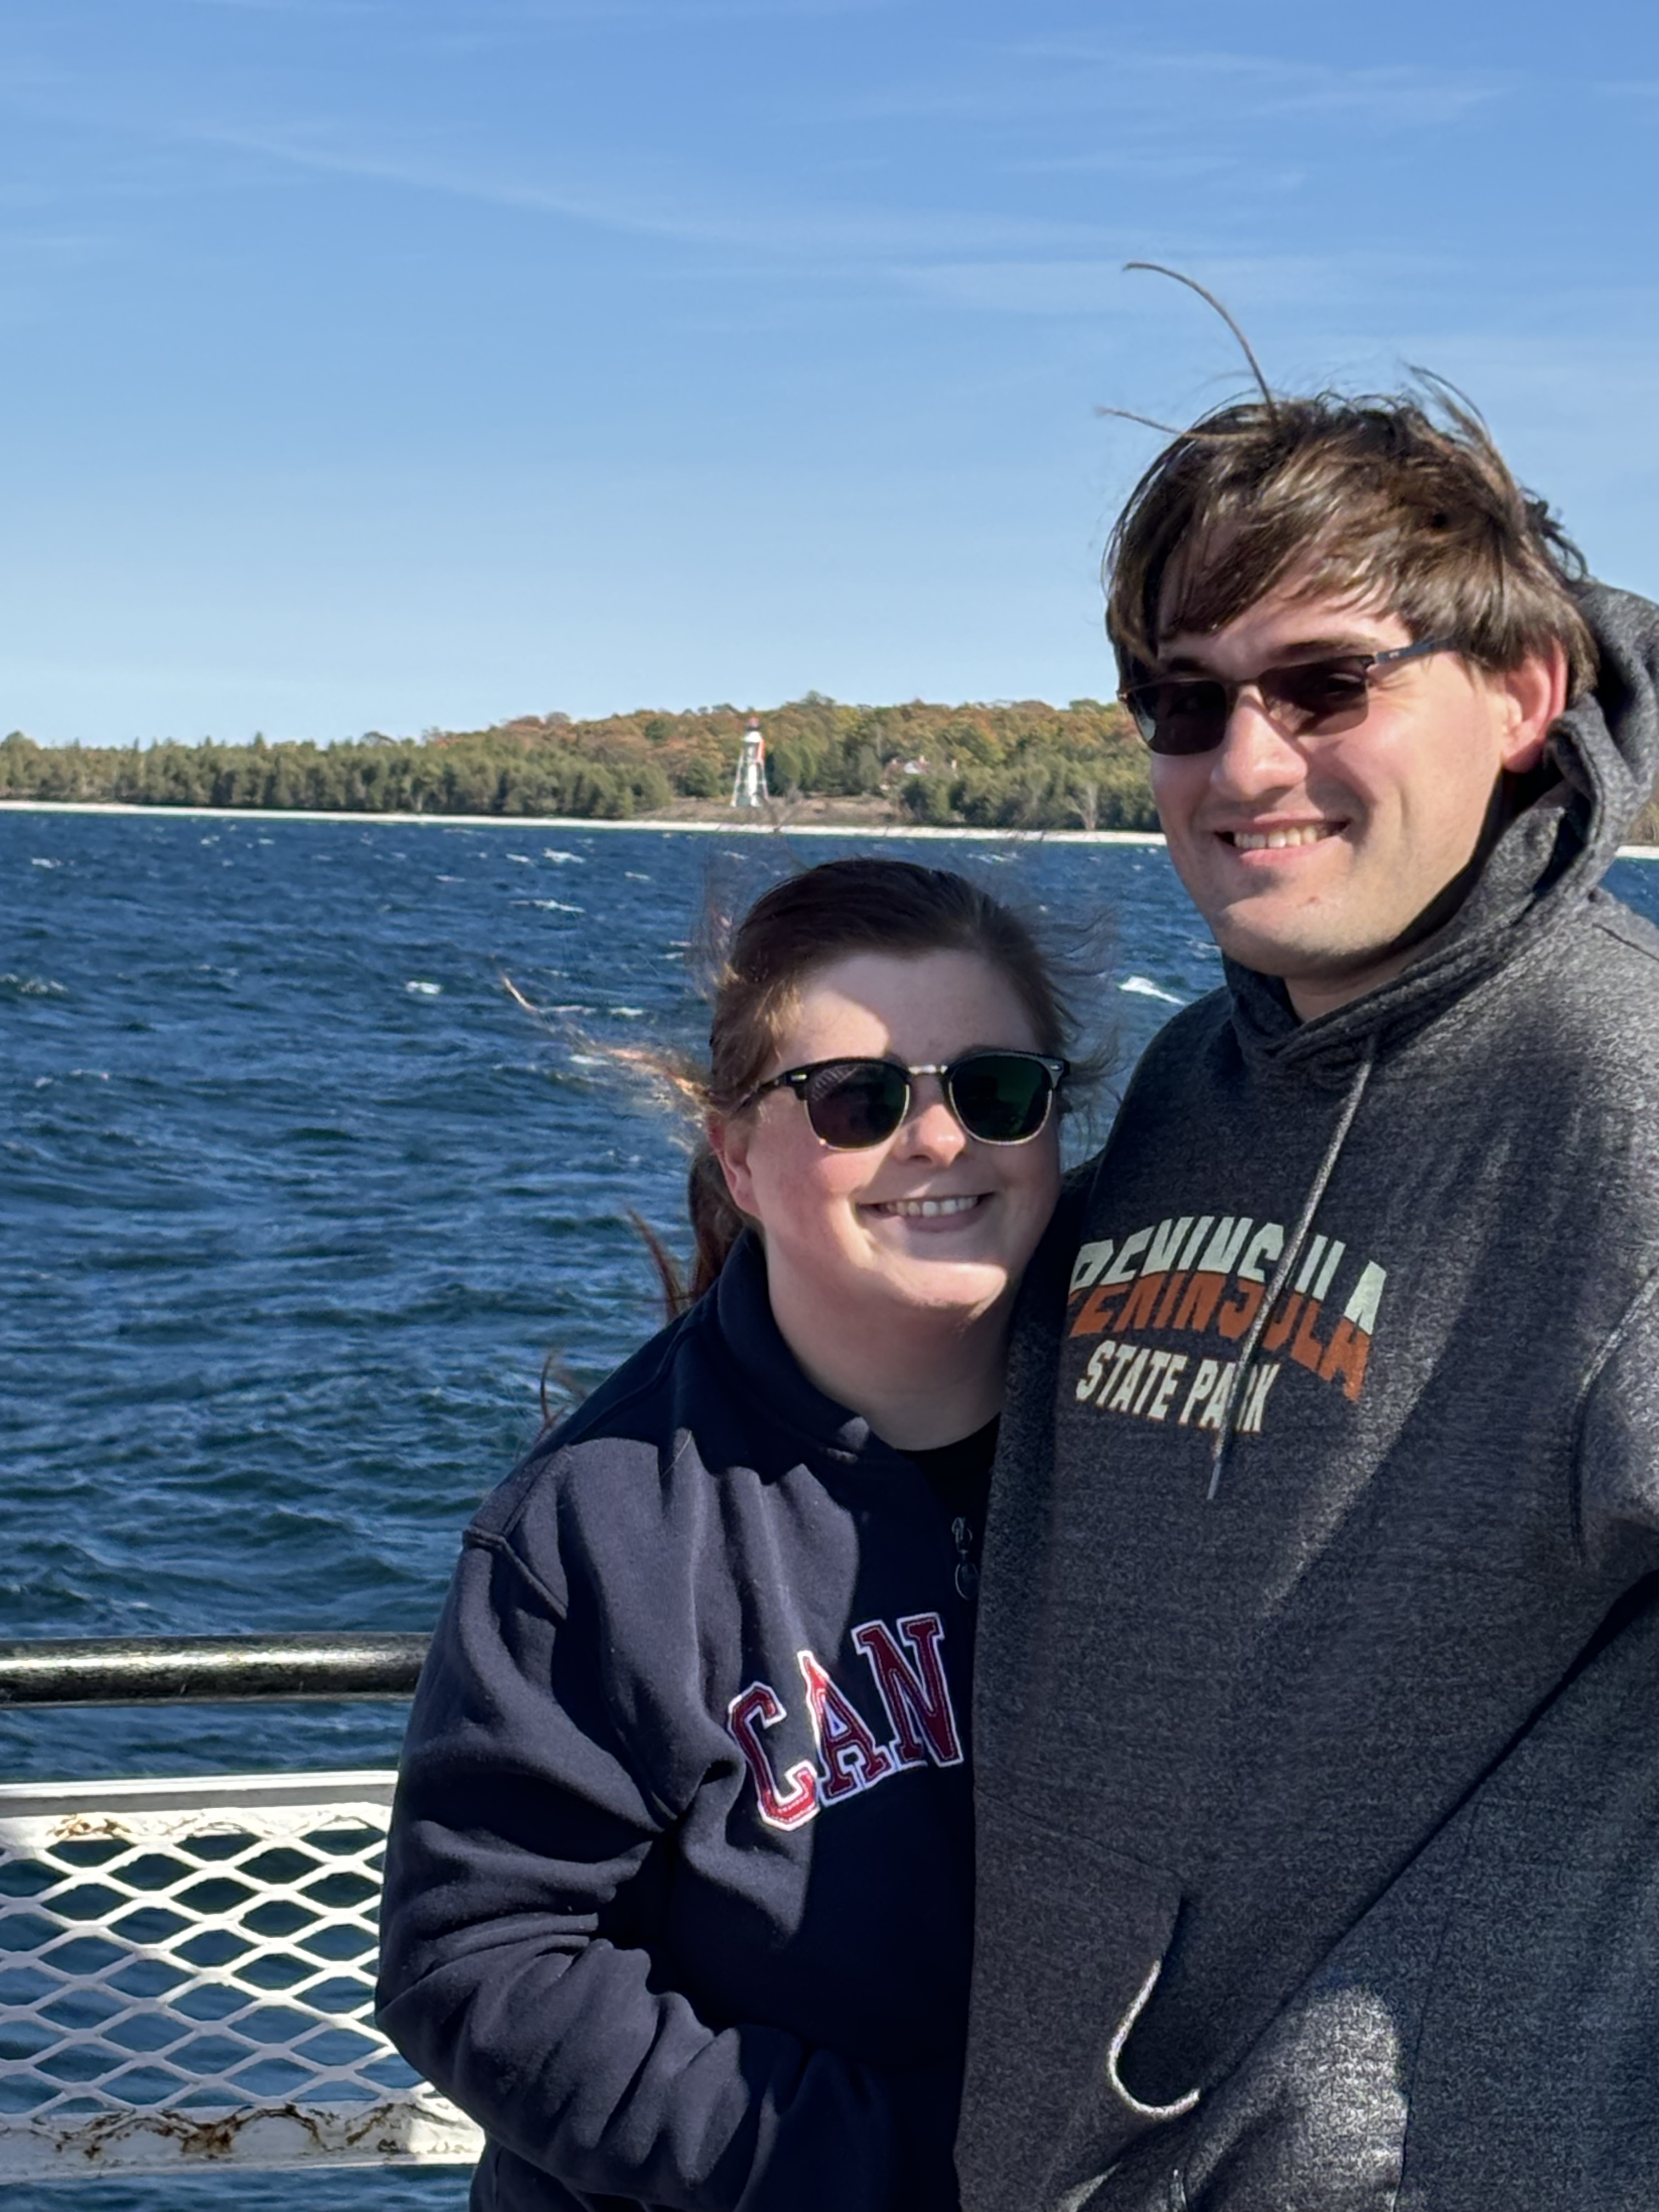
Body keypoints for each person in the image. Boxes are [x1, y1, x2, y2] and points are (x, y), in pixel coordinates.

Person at [956, 389, 1659, 2210]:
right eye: (1186, 701)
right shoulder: (1195, 1075)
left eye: (1325, 685)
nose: (1245, 762)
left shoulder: (1619, 1089)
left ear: (1523, 694)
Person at [377, 857, 1080, 2212]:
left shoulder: (1165, 1433)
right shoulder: (602, 1522)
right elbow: (479, 1961)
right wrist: (906, 2168)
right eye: (856, 1100)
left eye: (994, 1088)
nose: (938, 1141)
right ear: (738, 1156)